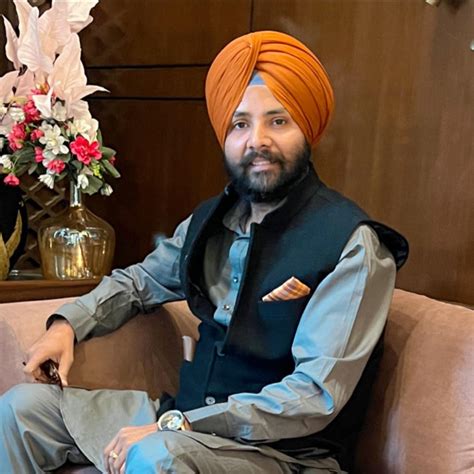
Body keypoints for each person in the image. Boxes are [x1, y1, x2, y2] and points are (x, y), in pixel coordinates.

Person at [0, 30, 408, 474]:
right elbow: (139, 282)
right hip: (185, 423)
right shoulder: (210, 220)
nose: (257, 140)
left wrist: (181, 425)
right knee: (23, 410)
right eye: (240, 124)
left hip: (283, 455)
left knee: (157, 456)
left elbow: (314, 395)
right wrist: (67, 325)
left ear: (307, 130)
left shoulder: (353, 245)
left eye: (278, 121)